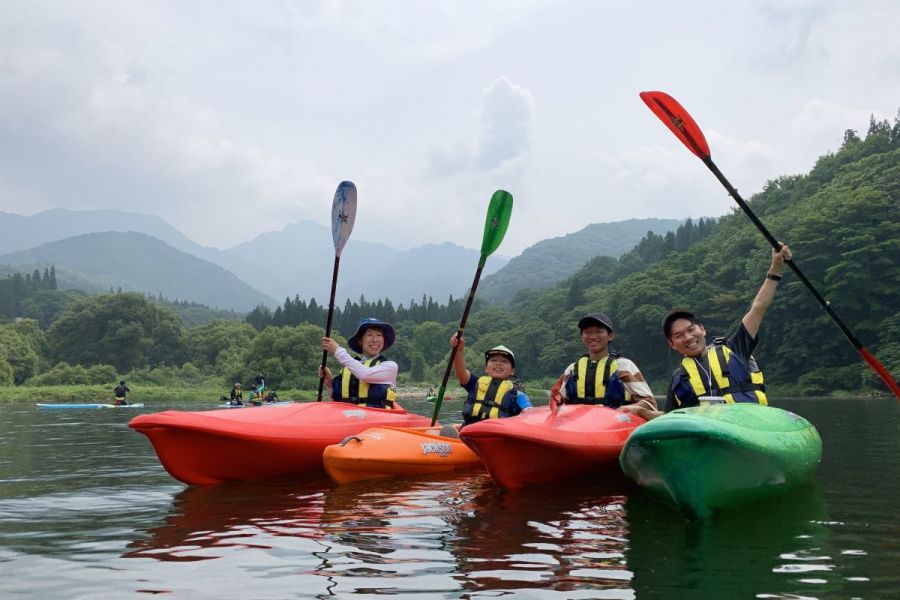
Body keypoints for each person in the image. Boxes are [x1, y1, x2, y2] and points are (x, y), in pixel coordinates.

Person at [623, 244, 792, 420]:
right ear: (672, 344)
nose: (688, 337)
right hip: (712, 437)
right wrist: (642, 412)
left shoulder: (735, 348)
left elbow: (758, 308)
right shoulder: (678, 379)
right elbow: (670, 418)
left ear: (702, 329)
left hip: (753, 425)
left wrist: (776, 267)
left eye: (691, 329)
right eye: (679, 336)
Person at [552, 313, 656, 413]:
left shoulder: (624, 367)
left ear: (610, 336)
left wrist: (629, 409)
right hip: (579, 427)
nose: (593, 336)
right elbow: (557, 402)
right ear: (582, 337)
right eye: (587, 332)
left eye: (599, 331)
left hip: (614, 425)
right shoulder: (571, 369)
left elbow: (649, 402)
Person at [451, 336, 532, 427]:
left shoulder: (517, 394)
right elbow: (461, 372)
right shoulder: (475, 383)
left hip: (498, 435)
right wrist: (458, 350)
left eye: (504, 361)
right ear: (486, 368)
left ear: (512, 371)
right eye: (493, 360)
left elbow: (530, 414)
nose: (498, 363)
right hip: (470, 433)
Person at [320, 318, 400, 409]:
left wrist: (337, 351)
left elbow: (365, 374)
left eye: (379, 335)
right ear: (360, 341)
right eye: (370, 335)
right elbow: (335, 399)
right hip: (350, 419)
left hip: (376, 419)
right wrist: (329, 383)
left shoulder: (390, 366)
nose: (375, 340)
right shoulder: (349, 368)